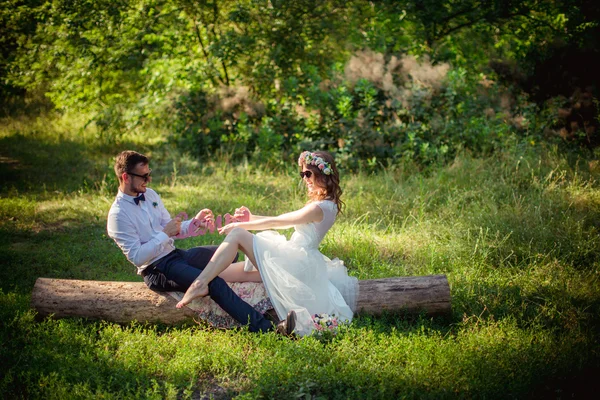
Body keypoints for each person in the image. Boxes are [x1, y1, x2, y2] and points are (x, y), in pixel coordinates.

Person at [106, 150, 296, 335]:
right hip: (156, 269)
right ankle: (268, 329)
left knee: (226, 254)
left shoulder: (151, 195)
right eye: (144, 177)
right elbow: (137, 257)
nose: (148, 180)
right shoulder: (118, 215)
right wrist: (164, 234)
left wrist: (193, 224)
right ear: (125, 177)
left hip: (175, 254)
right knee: (214, 283)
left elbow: (168, 226)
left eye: (149, 175)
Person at [176, 151, 358, 336]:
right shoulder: (325, 203)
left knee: (238, 234)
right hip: (293, 258)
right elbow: (285, 219)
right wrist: (252, 217)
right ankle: (183, 278)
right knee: (222, 274)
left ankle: (199, 284)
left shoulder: (320, 207)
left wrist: (242, 224)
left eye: (308, 174)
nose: (305, 179)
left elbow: (279, 222)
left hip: (295, 264)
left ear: (323, 173)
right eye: (302, 174)